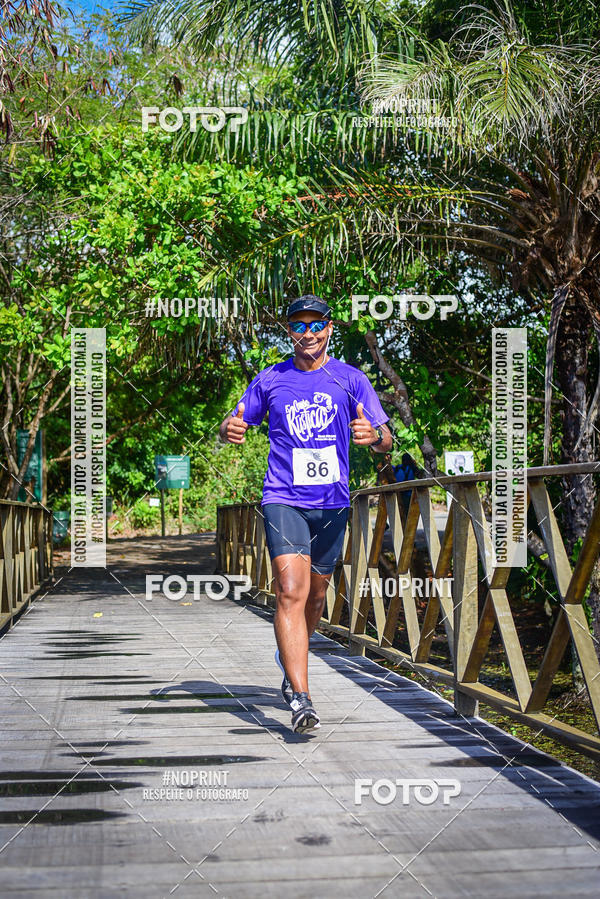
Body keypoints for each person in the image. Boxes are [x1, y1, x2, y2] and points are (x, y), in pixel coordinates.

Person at [219, 295, 393, 732]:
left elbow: (386, 438)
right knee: (290, 593)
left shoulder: (350, 379)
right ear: (289, 332)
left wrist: (374, 437)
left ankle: (290, 655)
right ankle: (301, 696)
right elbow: (234, 420)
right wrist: (228, 429)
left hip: (332, 504)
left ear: (330, 329)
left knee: (316, 597)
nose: (308, 333)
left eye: (316, 325)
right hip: (283, 497)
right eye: (298, 326)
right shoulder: (271, 379)